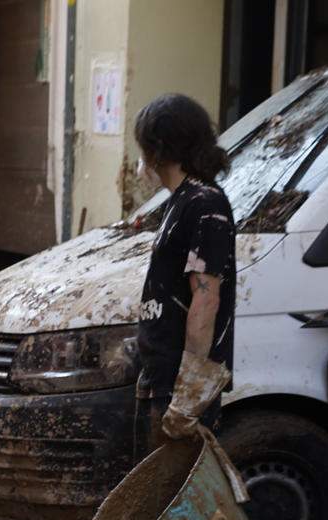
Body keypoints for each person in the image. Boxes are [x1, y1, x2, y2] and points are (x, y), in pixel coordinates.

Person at [130, 94, 235, 447]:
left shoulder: (206, 204)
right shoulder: (182, 200)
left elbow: (206, 300)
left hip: (178, 385)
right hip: (161, 375)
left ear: (157, 150)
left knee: (175, 497)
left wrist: (189, 395)